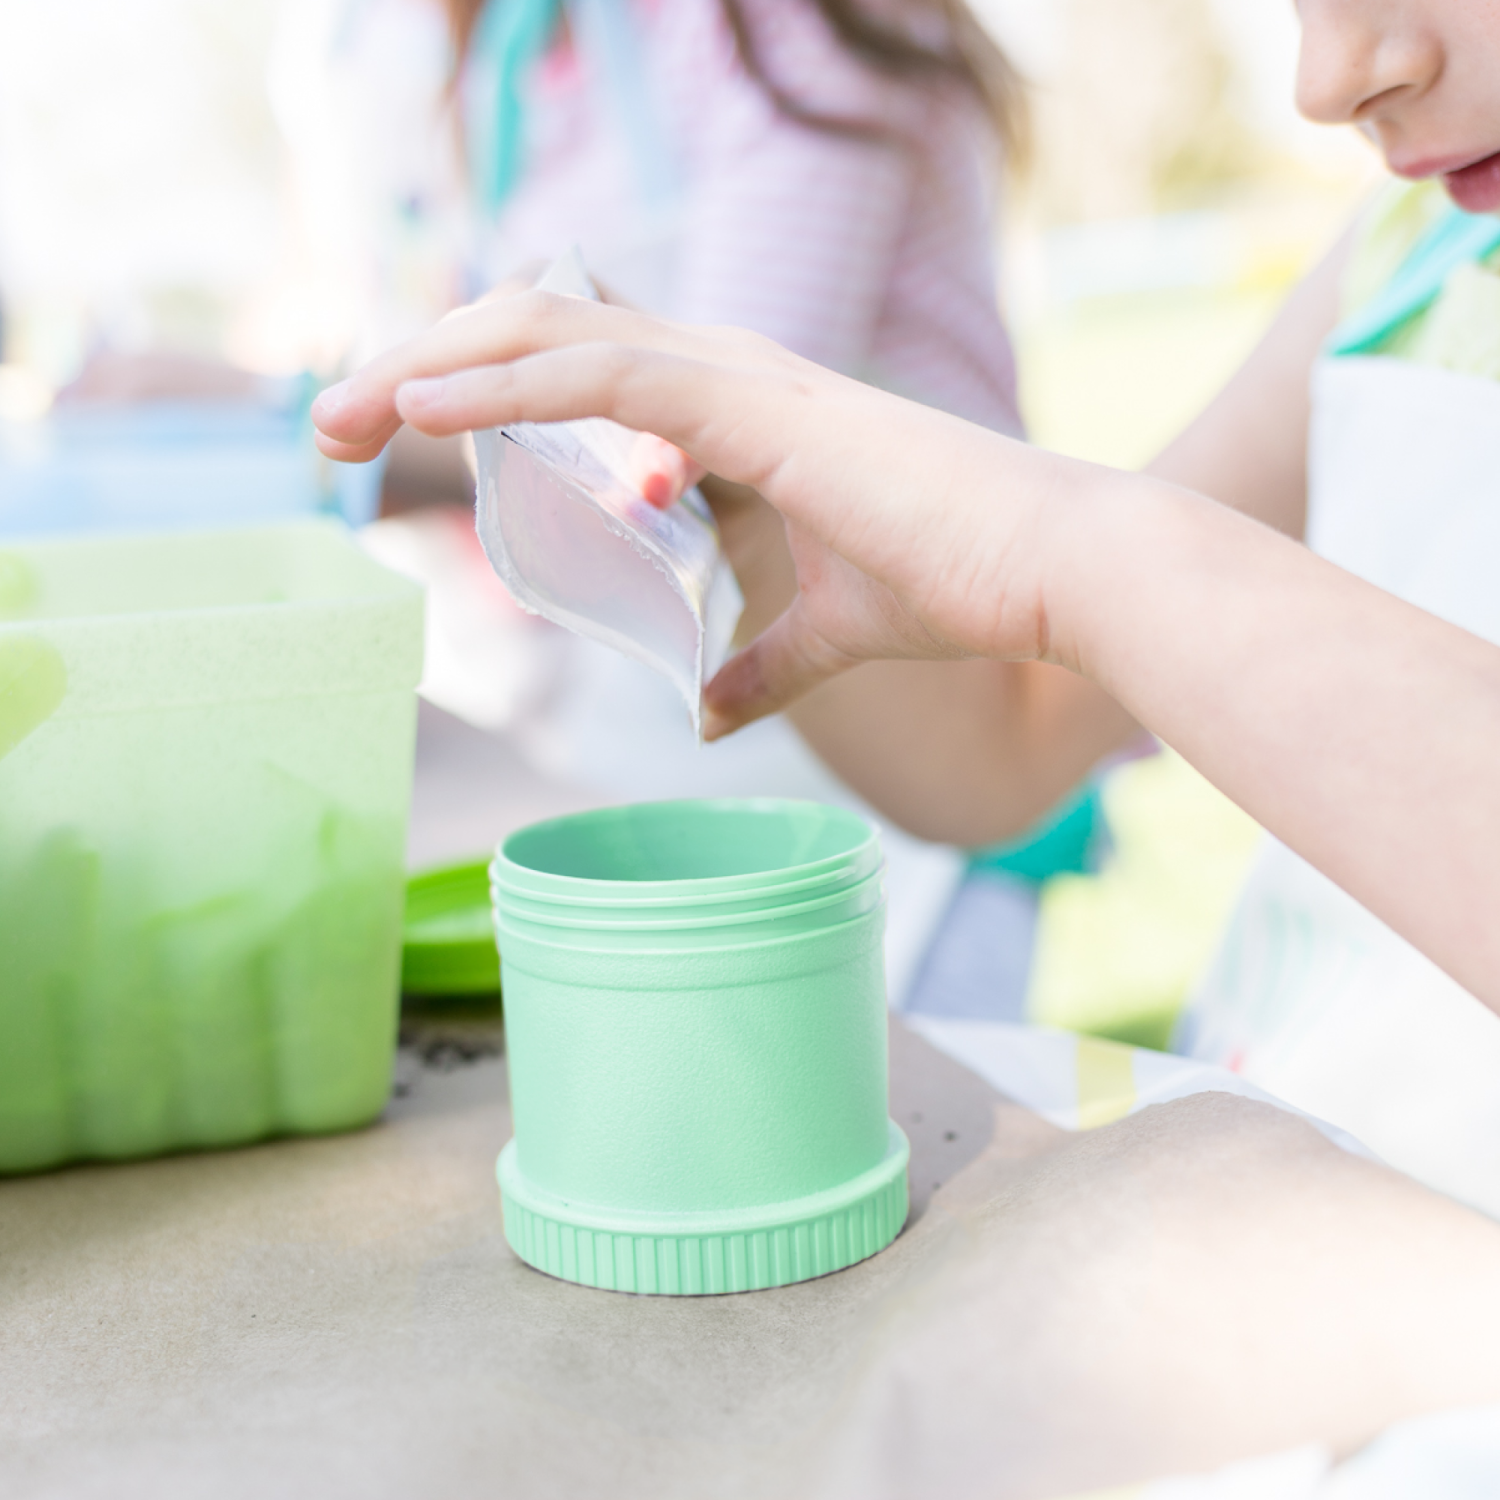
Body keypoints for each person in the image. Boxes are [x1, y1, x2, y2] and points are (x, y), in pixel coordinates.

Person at [314, 0, 1500, 1218]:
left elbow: (1087, 585)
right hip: (1299, 1196)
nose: (1327, 79)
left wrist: (1085, 554)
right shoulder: (1409, 252)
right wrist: (748, 505)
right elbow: (1006, 749)